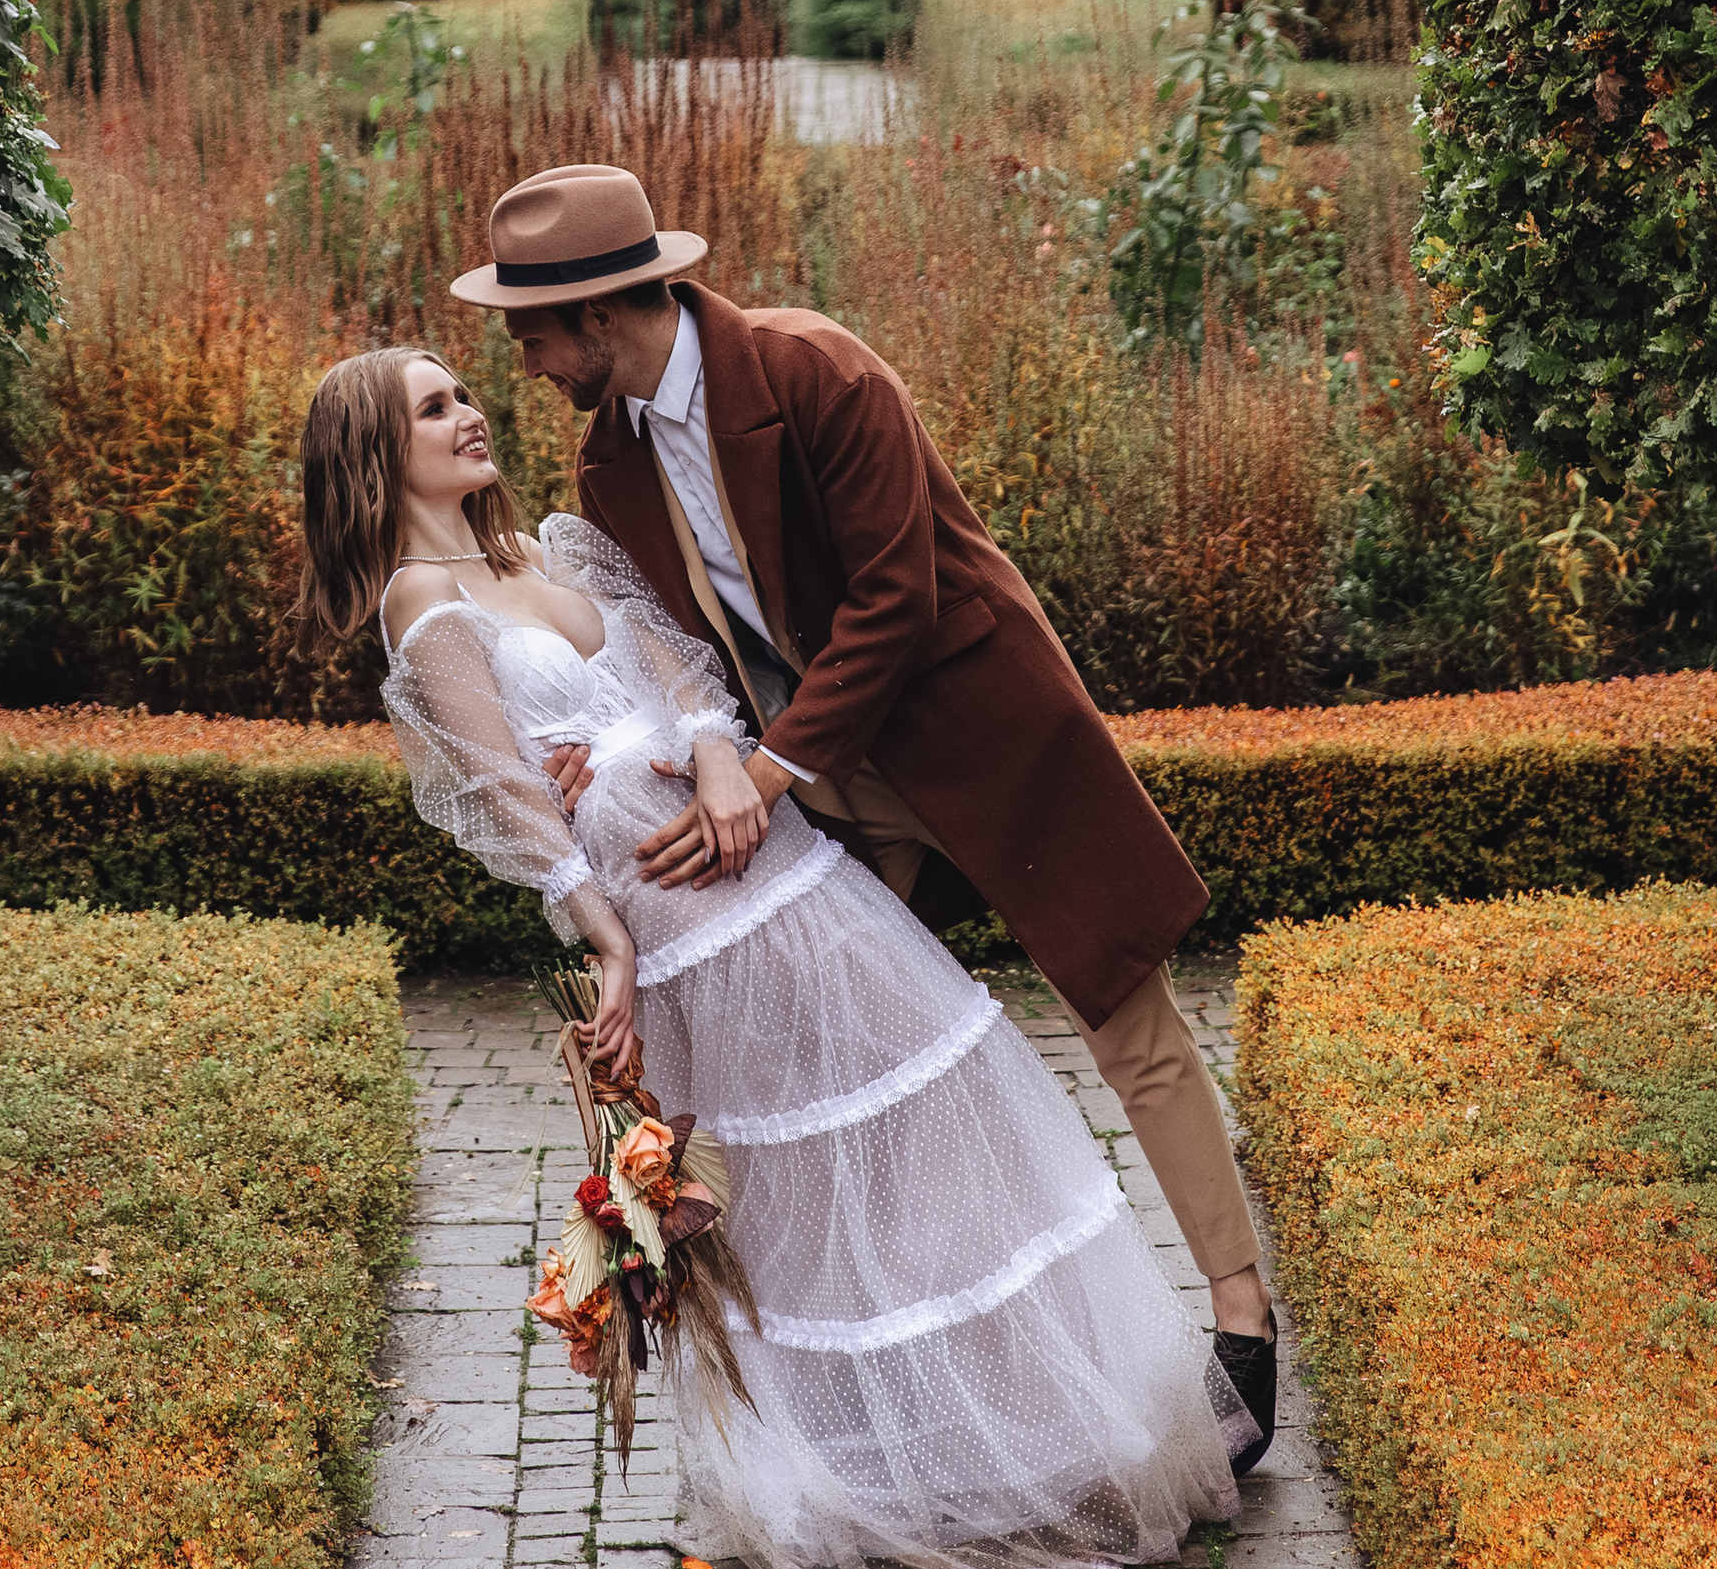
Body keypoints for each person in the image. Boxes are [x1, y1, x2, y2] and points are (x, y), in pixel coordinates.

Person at [299, 342, 1255, 1569]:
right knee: (788, 1183)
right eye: (434, 410)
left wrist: (712, 768)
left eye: (465, 393)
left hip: (778, 862)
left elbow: (688, 680)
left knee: (928, 1100)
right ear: (379, 454)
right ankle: (860, 1466)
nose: (471, 414)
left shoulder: (549, 547)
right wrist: (611, 950)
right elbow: (510, 812)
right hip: (677, 916)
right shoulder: (423, 610)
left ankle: (1004, 1427)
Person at [449, 161, 1281, 1471]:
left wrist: (767, 775)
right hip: (824, 778)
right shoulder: (606, 462)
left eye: (534, 332)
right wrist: (618, 747)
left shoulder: (816, 370)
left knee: (1132, 1025)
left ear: (601, 313)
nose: (531, 360)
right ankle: (892, 1363)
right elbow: (674, 650)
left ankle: (1241, 1326)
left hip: (977, 736)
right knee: (818, 1052)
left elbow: (899, 604)